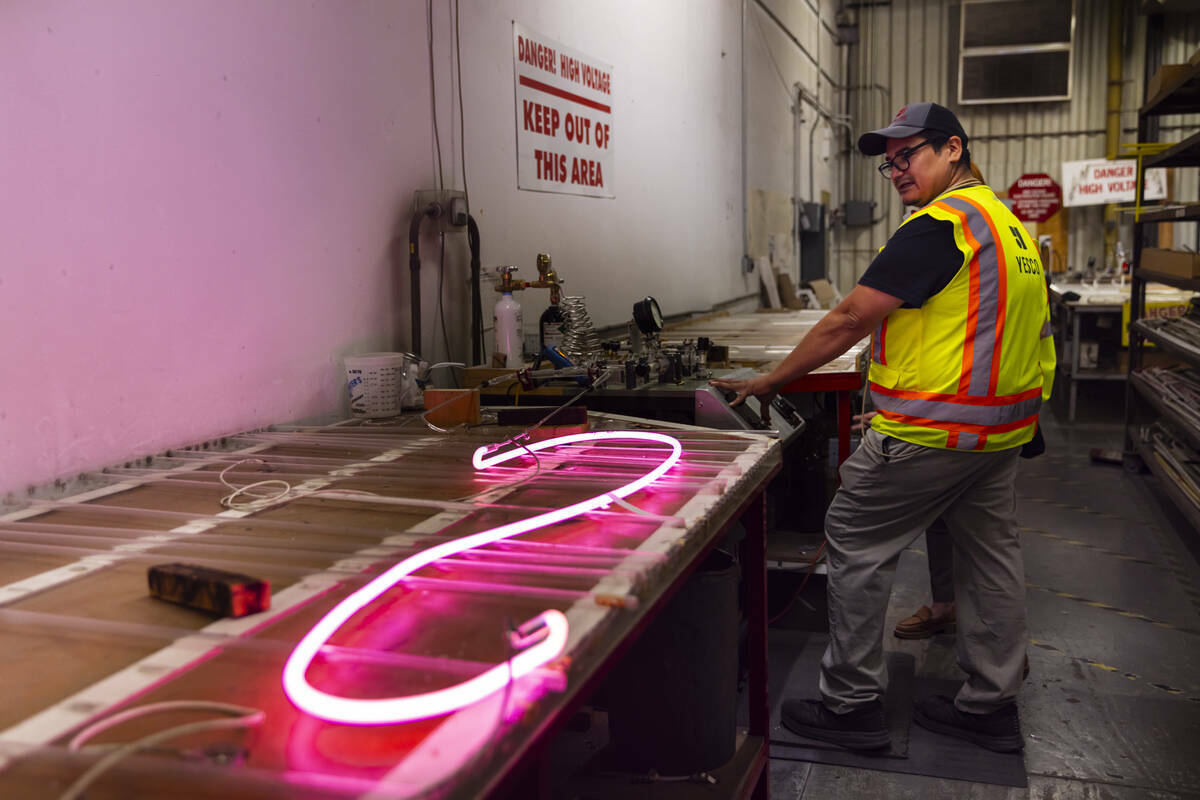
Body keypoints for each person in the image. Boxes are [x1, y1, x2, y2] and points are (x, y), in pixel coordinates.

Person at [712, 102, 1055, 754]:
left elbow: (849, 319)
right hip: (996, 435)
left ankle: (850, 706)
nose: (897, 169)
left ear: (953, 149)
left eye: (911, 153)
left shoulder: (939, 225)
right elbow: (998, 335)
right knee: (992, 561)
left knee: (854, 536)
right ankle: (990, 706)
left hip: (935, 438)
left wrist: (772, 380)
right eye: (889, 161)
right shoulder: (1006, 225)